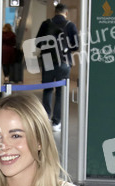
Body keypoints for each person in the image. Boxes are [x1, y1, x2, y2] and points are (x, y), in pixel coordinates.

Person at [37, 4, 79, 132]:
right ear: (66, 13)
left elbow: (38, 43)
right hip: (64, 61)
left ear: (54, 12)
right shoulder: (70, 25)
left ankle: (45, 120)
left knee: (47, 90)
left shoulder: (46, 24)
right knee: (60, 92)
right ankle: (56, 122)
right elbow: (76, 46)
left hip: (47, 60)